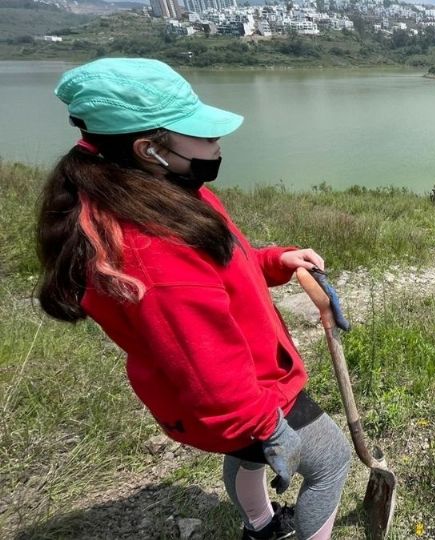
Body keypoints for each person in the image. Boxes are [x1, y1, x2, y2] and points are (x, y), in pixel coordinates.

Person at [35, 58, 351, 540]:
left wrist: (275, 261)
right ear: (148, 148)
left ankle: (262, 527)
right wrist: (265, 425)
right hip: (247, 393)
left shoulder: (156, 191)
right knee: (330, 462)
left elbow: (221, 266)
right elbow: (202, 360)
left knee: (247, 459)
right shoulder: (152, 247)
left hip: (234, 393)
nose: (217, 145)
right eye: (202, 136)